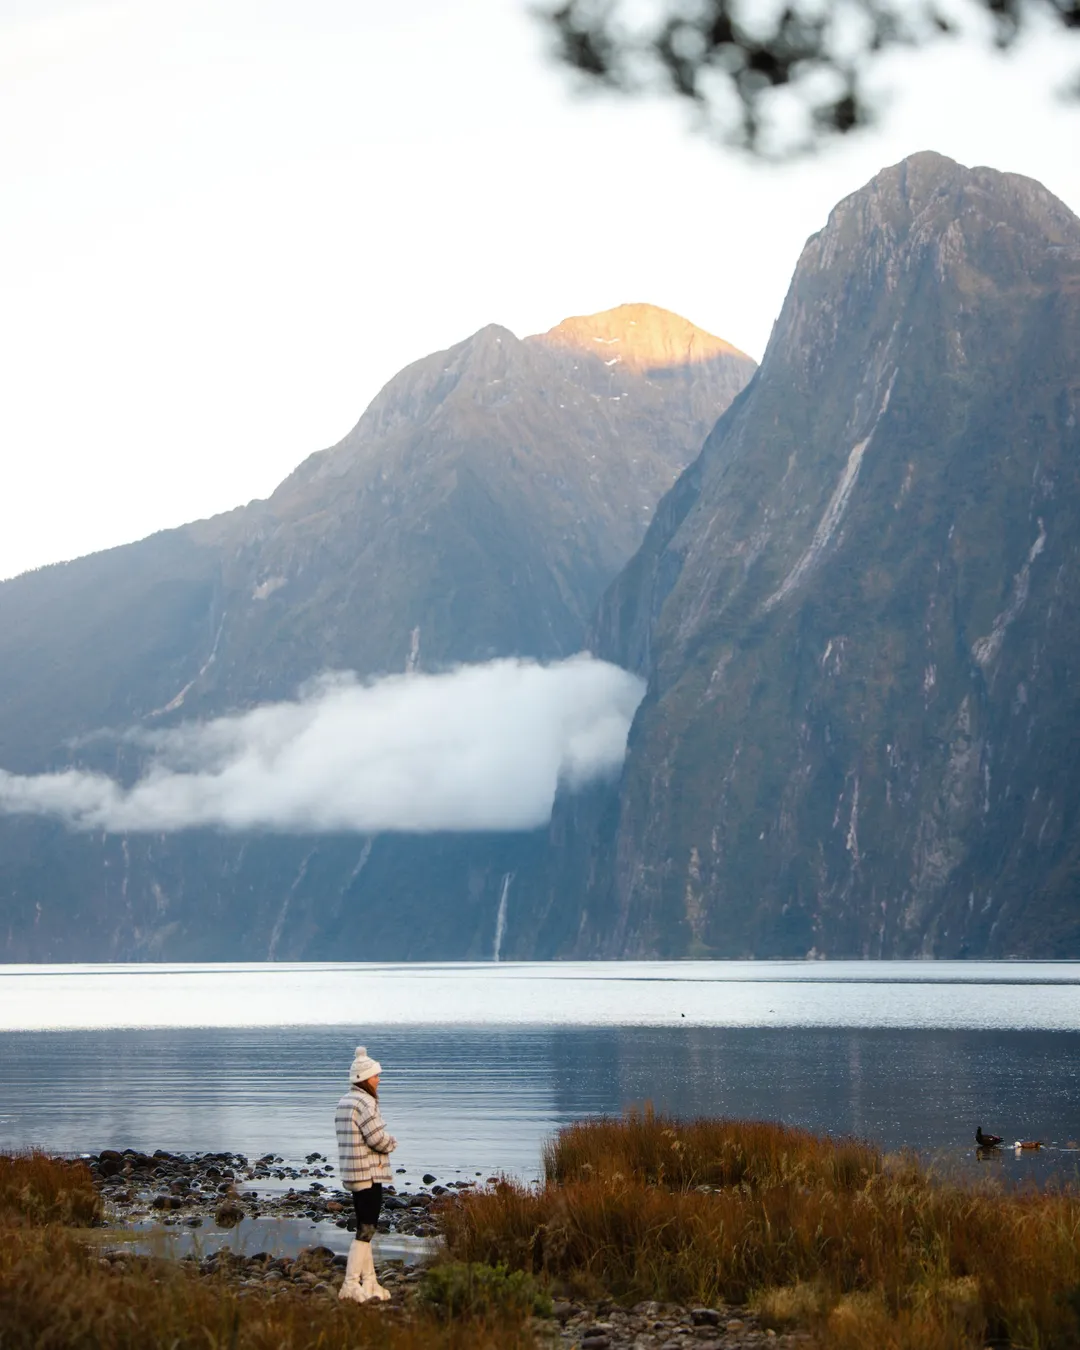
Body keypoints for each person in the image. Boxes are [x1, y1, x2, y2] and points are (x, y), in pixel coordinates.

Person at [335, 1045, 397, 1303]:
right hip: (369, 1173)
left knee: (364, 1227)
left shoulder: (345, 1101)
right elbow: (376, 1138)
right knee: (366, 1229)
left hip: (352, 1172)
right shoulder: (365, 1102)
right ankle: (350, 1284)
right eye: (376, 1075)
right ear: (364, 1079)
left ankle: (370, 1282)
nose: (379, 1079)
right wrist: (392, 1142)